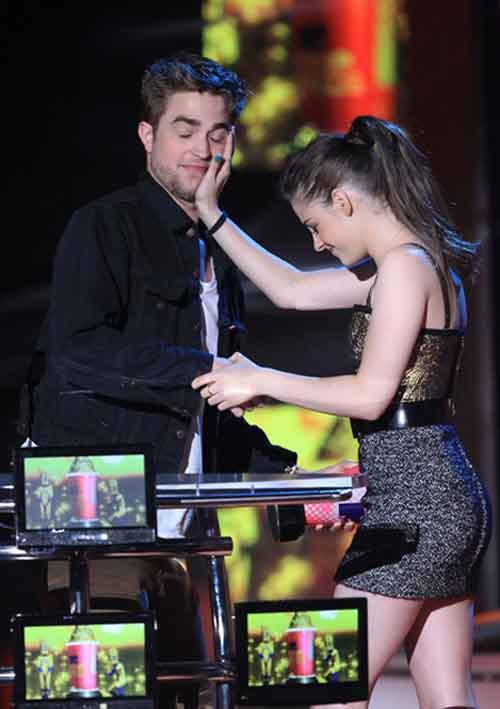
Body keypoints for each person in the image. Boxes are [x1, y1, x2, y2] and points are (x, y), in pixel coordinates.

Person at [16, 51, 296, 708]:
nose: (203, 148)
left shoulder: (220, 250)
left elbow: (209, 405)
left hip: (178, 519)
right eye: (184, 129)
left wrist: (283, 474)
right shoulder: (104, 225)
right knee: (104, 696)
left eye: (218, 132)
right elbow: (77, 352)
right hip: (93, 506)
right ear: (148, 134)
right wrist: (205, 369)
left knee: (190, 691)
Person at [191, 114, 492, 708]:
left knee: (325, 690)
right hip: (432, 499)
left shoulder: (403, 268)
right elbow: (291, 290)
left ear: (344, 201)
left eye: (315, 225)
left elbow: (370, 395)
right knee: (446, 700)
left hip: (417, 509)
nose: (317, 243)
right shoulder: (413, 263)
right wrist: (211, 213)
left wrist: (261, 378)